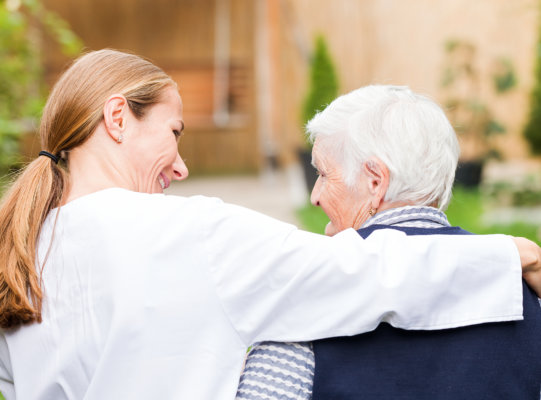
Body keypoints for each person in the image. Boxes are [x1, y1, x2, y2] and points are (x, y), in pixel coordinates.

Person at [0, 51, 539, 400]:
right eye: (175, 131)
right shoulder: (189, 234)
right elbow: (365, 271)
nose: (181, 165)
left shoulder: (21, 255)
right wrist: (514, 254)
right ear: (117, 119)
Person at [236, 85, 541, 400]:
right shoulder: (525, 289)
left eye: (324, 175)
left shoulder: (311, 292)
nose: (315, 196)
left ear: (375, 180)